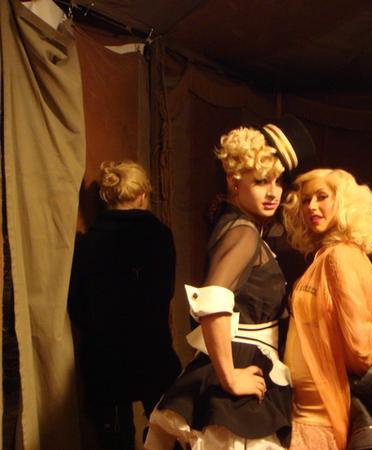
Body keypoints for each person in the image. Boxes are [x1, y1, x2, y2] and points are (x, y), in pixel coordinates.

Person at [145, 116, 315, 450]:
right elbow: (212, 301)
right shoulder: (243, 232)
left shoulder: (239, 225)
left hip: (249, 358)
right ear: (234, 181)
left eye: (278, 182)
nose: (273, 192)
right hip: (241, 363)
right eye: (261, 181)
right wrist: (229, 377)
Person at [68, 160, 181, 449]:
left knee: (115, 438)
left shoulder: (86, 244)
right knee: (168, 430)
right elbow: (165, 293)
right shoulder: (160, 237)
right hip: (152, 348)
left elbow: (77, 305)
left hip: (104, 355)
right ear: (143, 195)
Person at [282, 168, 372, 450]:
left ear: (343, 201)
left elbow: (361, 349)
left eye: (322, 197)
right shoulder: (325, 256)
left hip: (322, 414)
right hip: (308, 410)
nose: (311, 206)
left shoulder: (341, 256)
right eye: (306, 200)